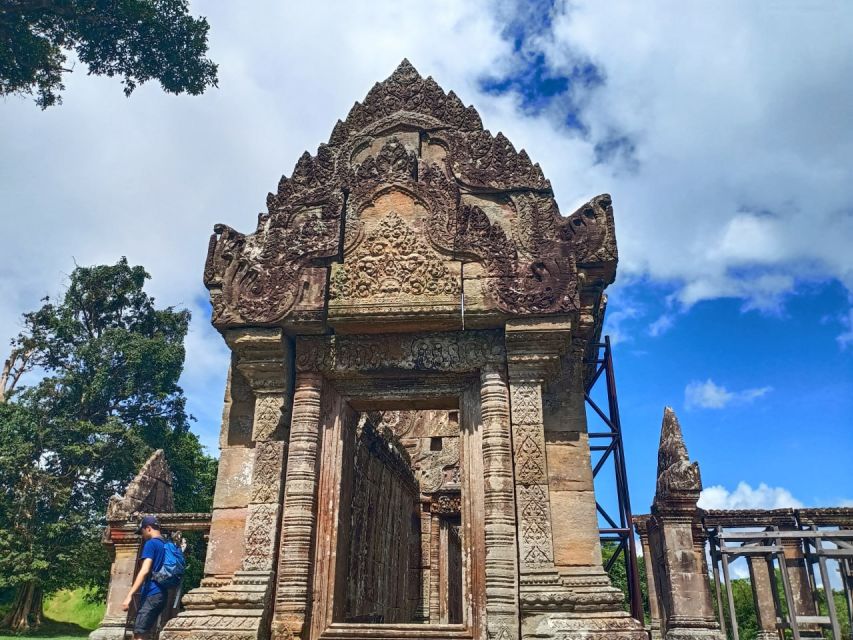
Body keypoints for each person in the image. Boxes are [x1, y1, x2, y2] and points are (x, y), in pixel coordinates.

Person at [122, 515, 167, 639]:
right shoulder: (167, 544)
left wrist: (129, 595)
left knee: (139, 634)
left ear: (148, 528)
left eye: (142, 532)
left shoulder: (151, 544)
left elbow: (144, 570)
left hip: (152, 593)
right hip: (162, 595)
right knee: (146, 632)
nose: (142, 536)